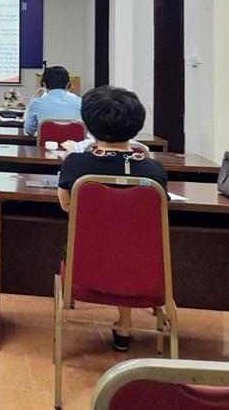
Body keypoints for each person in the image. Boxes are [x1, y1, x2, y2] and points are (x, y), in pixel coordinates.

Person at [56, 85, 168, 353]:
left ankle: (123, 323)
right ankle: (125, 324)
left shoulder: (76, 164)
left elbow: (66, 205)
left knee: (108, 244)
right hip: (143, 269)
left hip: (85, 264)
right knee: (128, 245)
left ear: (89, 123)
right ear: (137, 124)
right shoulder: (154, 170)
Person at [23, 65, 81, 136]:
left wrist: (33, 100)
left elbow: (29, 130)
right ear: (68, 84)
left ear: (44, 84)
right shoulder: (80, 102)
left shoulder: (37, 103)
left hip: (46, 143)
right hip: (73, 143)